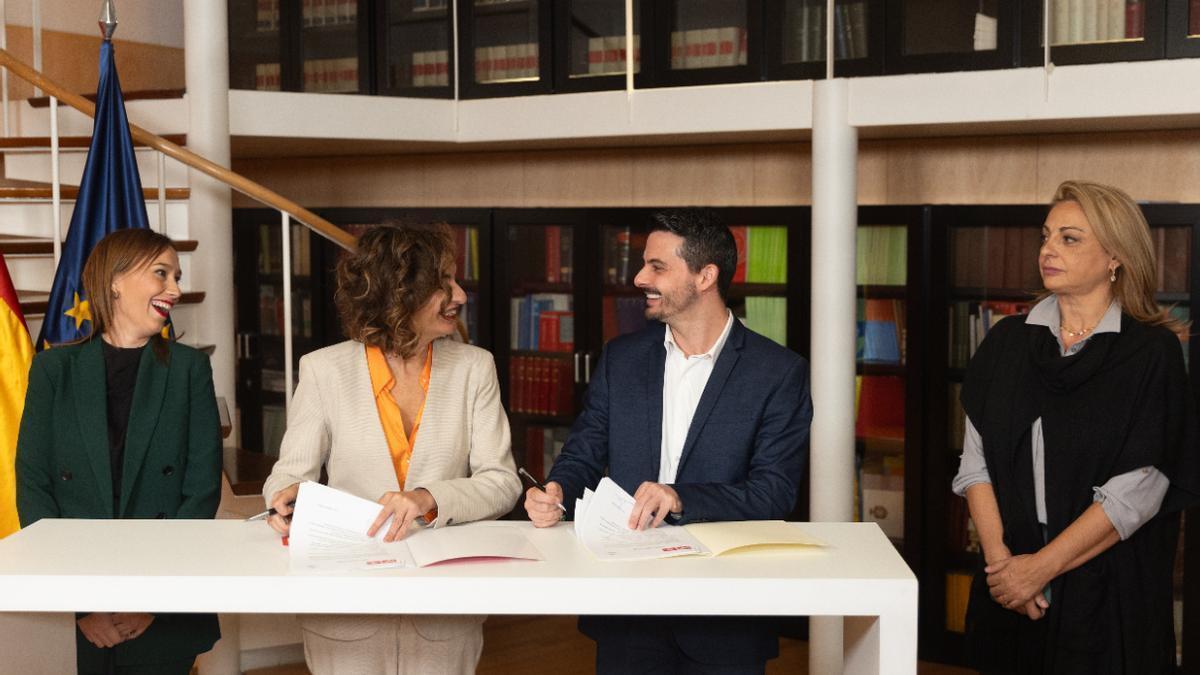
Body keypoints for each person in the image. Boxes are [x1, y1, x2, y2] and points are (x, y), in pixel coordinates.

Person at [525, 208, 812, 674]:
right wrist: (558, 489)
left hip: (725, 614)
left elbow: (774, 491)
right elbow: (583, 453)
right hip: (628, 610)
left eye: (657, 267)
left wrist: (679, 498)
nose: (640, 278)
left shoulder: (779, 372)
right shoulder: (621, 358)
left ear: (705, 276)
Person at [952, 181, 1200, 674]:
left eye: (1069, 239)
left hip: (1107, 587)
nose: (1048, 250)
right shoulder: (1006, 342)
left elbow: (1140, 488)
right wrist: (1003, 566)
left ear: (1116, 256)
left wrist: (1039, 569)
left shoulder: (1150, 353)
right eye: (1046, 236)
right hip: (1008, 575)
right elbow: (975, 465)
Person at [261, 222, 521, 675]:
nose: (461, 295)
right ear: (400, 293)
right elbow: (289, 475)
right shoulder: (323, 370)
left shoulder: (476, 368)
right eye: (444, 283)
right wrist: (284, 498)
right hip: (346, 610)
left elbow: (502, 483)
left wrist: (428, 498)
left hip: (444, 611)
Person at [16, 228, 222, 675]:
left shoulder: (190, 369)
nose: (175, 289)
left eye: (177, 276)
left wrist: (152, 601)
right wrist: (81, 606)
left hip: (162, 608)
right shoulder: (53, 369)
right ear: (115, 280)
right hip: (78, 606)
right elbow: (34, 488)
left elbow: (201, 492)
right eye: (162, 273)